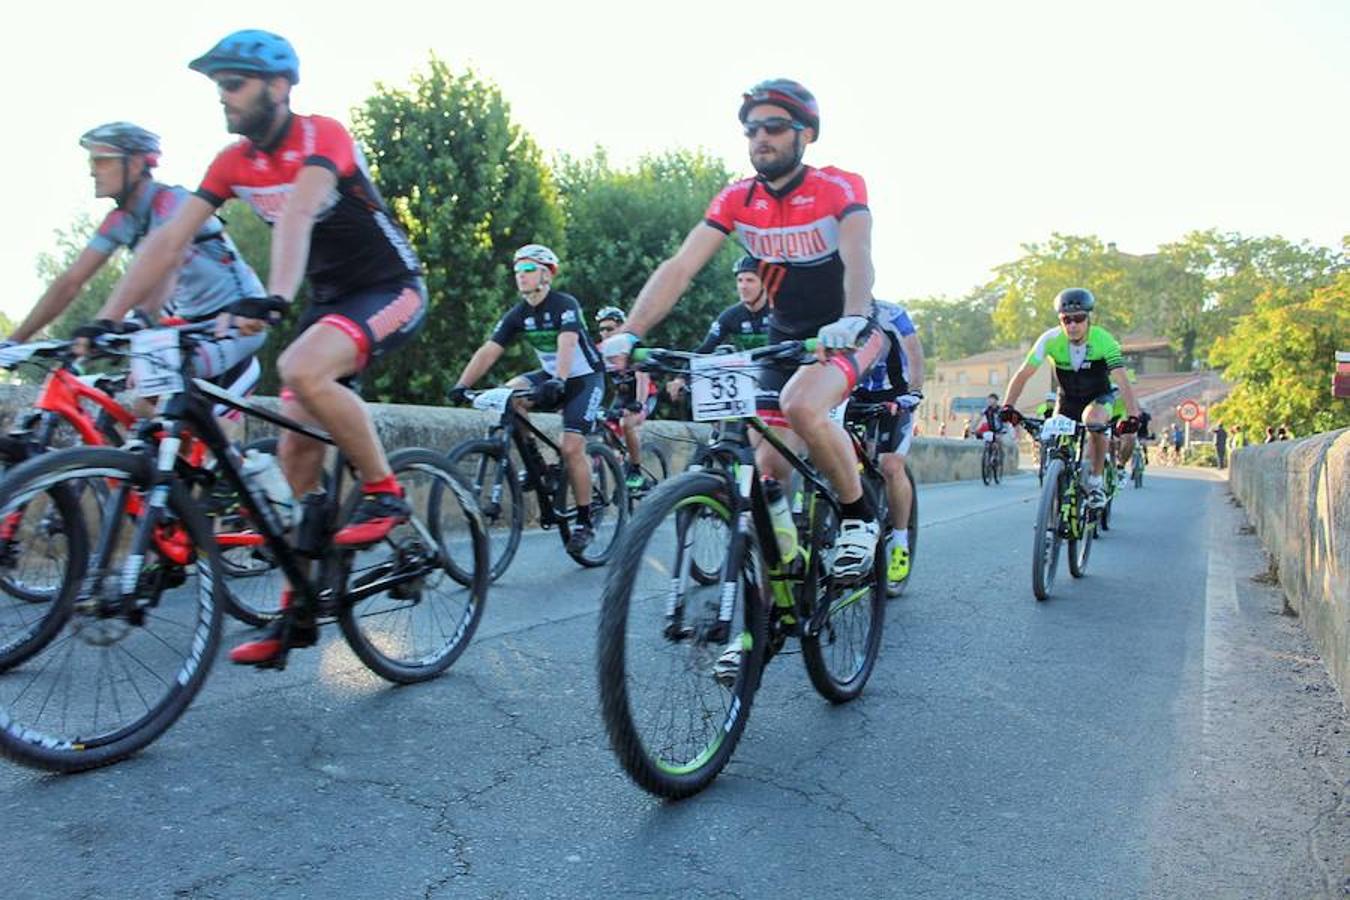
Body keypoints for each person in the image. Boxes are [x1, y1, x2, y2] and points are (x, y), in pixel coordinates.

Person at [96, 30, 429, 666]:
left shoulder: (321, 134)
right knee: (295, 448)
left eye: (233, 85)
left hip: (391, 286)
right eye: (218, 87)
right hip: (329, 298)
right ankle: (294, 614)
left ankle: (387, 491)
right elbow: (167, 241)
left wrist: (274, 297)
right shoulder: (232, 161)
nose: (223, 99)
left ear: (278, 88)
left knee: (299, 366)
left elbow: (300, 214)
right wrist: (106, 320)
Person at [601, 78, 886, 579]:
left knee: (803, 405)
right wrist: (631, 329)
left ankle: (860, 518)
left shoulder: (837, 187)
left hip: (848, 329)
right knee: (767, 477)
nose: (761, 138)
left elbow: (857, 254)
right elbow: (681, 266)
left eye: (775, 127)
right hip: (786, 339)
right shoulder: (737, 198)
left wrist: (853, 317)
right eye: (752, 129)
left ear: (806, 134)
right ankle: (768, 609)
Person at [12, 123, 267, 410]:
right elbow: (70, 281)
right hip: (192, 323)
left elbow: (168, 262)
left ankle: (221, 448)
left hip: (237, 319)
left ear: (134, 164)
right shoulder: (121, 221)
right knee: (142, 408)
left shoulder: (175, 203)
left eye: (102, 161)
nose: (93, 171)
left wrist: (110, 320)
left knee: (153, 384)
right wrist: (14, 341)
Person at [449, 244, 605, 552]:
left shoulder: (565, 304)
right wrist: (462, 384)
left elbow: (568, 343)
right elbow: (490, 350)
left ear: (546, 274)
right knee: (509, 396)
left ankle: (585, 520)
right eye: (517, 270)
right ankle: (540, 469)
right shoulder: (518, 313)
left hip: (584, 378)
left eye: (528, 269)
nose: (520, 276)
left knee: (572, 447)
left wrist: (560, 379)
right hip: (551, 376)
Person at [1000, 288, 1141, 509]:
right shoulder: (1050, 339)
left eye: (1079, 319)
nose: (1072, 325)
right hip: (1067, 399)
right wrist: (1007, 405)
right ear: (1060, 320)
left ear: (1088, 319)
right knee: (1053, 437)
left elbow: (1122, 381)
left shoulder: (1104, 340)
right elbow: (1023, 374)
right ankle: (1056, 495)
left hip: (1098, 397)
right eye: (1066, 320)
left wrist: (1133, 416)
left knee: (1094, 422)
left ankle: (1095, 482)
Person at [852, 300, 924, 583]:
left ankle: (901, 544)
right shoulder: (832, 308)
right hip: (852, 393)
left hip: (895, 395)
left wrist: (915, 390)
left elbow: (914, 351)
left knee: (891, 466)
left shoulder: (891, 314)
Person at [665, 254, 772, 406]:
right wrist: (681, 378)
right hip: (747, 380)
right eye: (739, 280)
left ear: (764, 284)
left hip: (776, 374)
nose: (743, 286)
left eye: (750, 280)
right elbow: (705, 349)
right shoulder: (731, 315)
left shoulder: (778, 312)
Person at [595, 307, 656, 490]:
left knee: (626, 423)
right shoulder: (600, 349)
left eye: (610, 329)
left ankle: (636, 471)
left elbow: (642, 378)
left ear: (621, 328)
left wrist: (639, 403)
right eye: (602, 329)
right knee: (599, 424)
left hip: (644, 394)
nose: (605, 333)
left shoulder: (634, 346)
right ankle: (619, 460)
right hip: (621, 396)